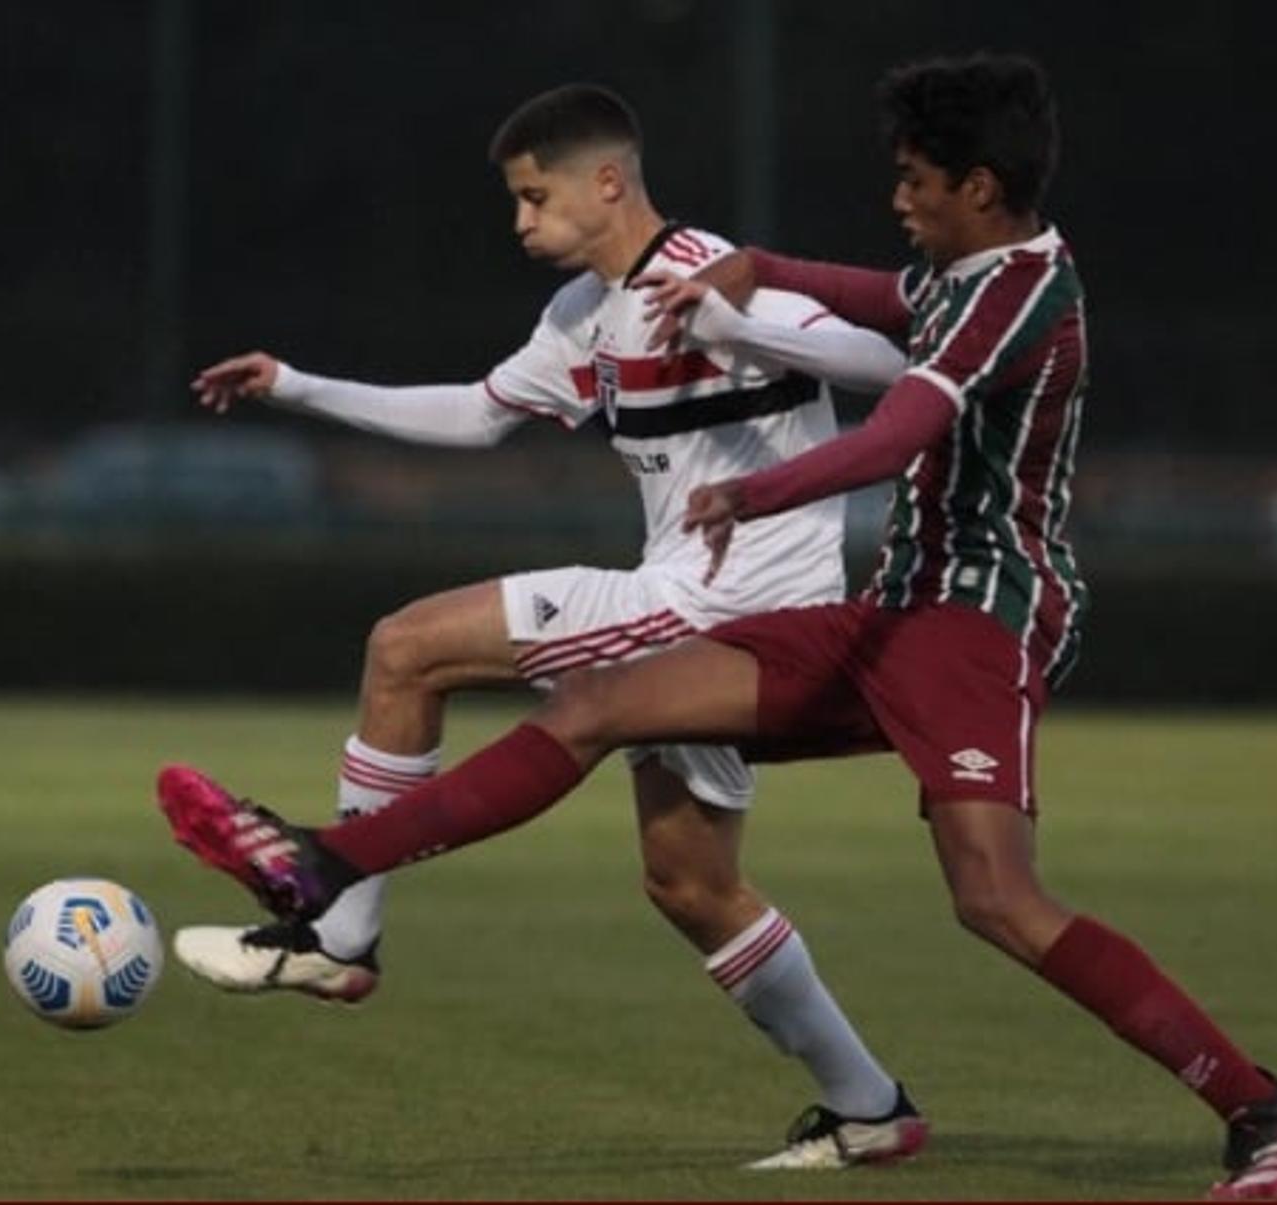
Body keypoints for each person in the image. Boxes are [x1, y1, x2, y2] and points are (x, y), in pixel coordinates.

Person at [160, 55, 1277, 1199]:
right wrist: (756, 269)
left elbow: (891, 417)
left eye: (915, 179)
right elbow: (870, 301)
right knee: (648, 800)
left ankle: (1260, 1105)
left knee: (996, 899)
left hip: (977, 619)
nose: (896, 199)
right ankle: (335, 867)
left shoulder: (1017, 294)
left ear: (978, 187)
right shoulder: (936, 275)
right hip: (880, 615)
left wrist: (751, 436)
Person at [169, 83, 930, 1170]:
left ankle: (338, 933)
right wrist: (296, 382)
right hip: (683, 601)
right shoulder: (584, 312)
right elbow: (481, 413)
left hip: (733, 607)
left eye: (534, 198)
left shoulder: (708, 271)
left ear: (607, 182)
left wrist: (739, 318)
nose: (520, 221)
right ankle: (871, 1106)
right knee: (690, 884)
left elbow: (895, 369)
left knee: (406, 645)